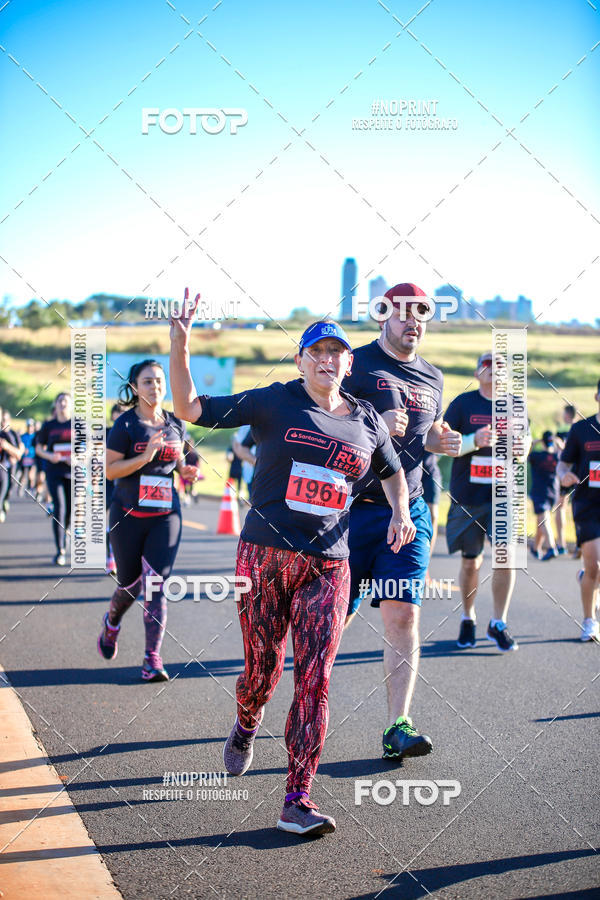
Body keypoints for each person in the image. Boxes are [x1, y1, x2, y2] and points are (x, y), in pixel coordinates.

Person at [170, 290, 414, 837]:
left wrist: (401, 511)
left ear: (350, 363)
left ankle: (297, 798)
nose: (328, 360)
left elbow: (394, 469)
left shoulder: (368, 420)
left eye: (338, 352)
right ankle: (246, 720)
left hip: (329, 564)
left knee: (315, 678)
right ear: (301, 360)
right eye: (316, 351)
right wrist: (180, 344)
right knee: (263, 670)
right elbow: (189, 409)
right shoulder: (273, 402)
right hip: (263, 555)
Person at [343, 283, 461, 761]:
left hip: (406, 510)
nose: (413, 322)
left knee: (404, 613)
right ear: (383, 317)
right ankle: (273, 700)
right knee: (331, 623)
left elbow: (424, 433)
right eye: (404, 313)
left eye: (422, 315)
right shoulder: (354, 363)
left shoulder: (432, 376)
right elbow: (323, 419)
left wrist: (441, 439)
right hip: (348, 512)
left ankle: (398, 726)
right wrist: (369, 428)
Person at [97, 361, 200, 681]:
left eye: (159, 381)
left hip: (165, 516)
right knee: (130, 584)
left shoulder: (175, 424)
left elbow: (179, 460)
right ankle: (112, 622)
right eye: (147, 382)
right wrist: (145, 456)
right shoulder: (125, 426)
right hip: (127, 515)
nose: (155, 386)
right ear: (135, 387)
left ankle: (151, 659)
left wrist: (185, 473)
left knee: (155, 584)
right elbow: (111, 471)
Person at [444, 352, 528, 652]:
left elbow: (525, 442)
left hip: (504, 496)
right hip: (469, 495)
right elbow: (444, 445)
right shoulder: (462, 404)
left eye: (501, 366)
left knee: (506, 557)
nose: (494, 370)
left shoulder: (515, 405)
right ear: (478, 372)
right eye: (488, 365)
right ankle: (468, 618)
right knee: (471, 562)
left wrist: (522, 447)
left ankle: (498, 622)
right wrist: (472, 441)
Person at [557, 381, 600, 641]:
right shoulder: (581, 429)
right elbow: (563, 464)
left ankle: (588, 578)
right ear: (597, 396)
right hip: (588, 505)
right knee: (595, 564)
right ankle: (589, 620)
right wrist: (564, 476)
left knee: (596, 570)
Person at [35, 393, 72, 564]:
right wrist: (50, 456)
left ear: (71, 405)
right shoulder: (49, 425)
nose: (63, 404)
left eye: (66, 401)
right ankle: (60, 550)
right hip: (54, 471)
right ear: (55, 405)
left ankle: (65, 533)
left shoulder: (78, 425)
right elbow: (38, 448)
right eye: (60, 401)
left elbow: (90, 448)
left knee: (69, 511)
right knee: (60, 508)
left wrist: (78, 458)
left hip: (72, 473)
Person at [528, 431, 560, 560]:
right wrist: (559, 444)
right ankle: (536, 548)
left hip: (539, 492)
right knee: (541, 520)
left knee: (544, 520)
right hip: (553, 493)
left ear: (543, 442)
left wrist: (534, 443)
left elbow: (525, 454)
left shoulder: (537, 456)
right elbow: (567, 455)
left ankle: (552, 547)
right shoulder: (558, 456)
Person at [556, 404, 581, 557]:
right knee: (578, 508)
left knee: (561, 507)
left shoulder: (569, 432)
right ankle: (577, 544)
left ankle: (562, 544)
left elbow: (561, 456)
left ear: (568, 415)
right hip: (577, 473)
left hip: (568, 473)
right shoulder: (584, 429)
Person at [105, 403, 125, 574]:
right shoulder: (105, 433)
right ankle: (110, 557)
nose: (121, 415)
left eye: (124, 412)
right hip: (108, 481)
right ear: (113, 416)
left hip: (126, 482)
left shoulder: (132, 431)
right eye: (118, 412)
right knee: (110, 523)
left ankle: (120, 557)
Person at [0, 407, 23, 523]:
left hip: (12, 466)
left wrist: (8, 448)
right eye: (2, 420)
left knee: (10, 488)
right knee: (2, 487)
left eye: (5, 420)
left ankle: (5, 501)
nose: (4, 423)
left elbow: (19, 452)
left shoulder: (13, 434)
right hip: (2, 466)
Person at [17, 418, 38, 496]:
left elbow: (37, 447)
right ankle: (20, 488)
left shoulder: (36, 436)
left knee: (31, 475)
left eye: (31, 426)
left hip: (32, 458)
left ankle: (30, 489)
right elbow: (20, 445)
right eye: (28, 426)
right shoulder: (23, 436)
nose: (30, 428)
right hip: (24, 458)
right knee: (23, 475)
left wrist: (30, 451)